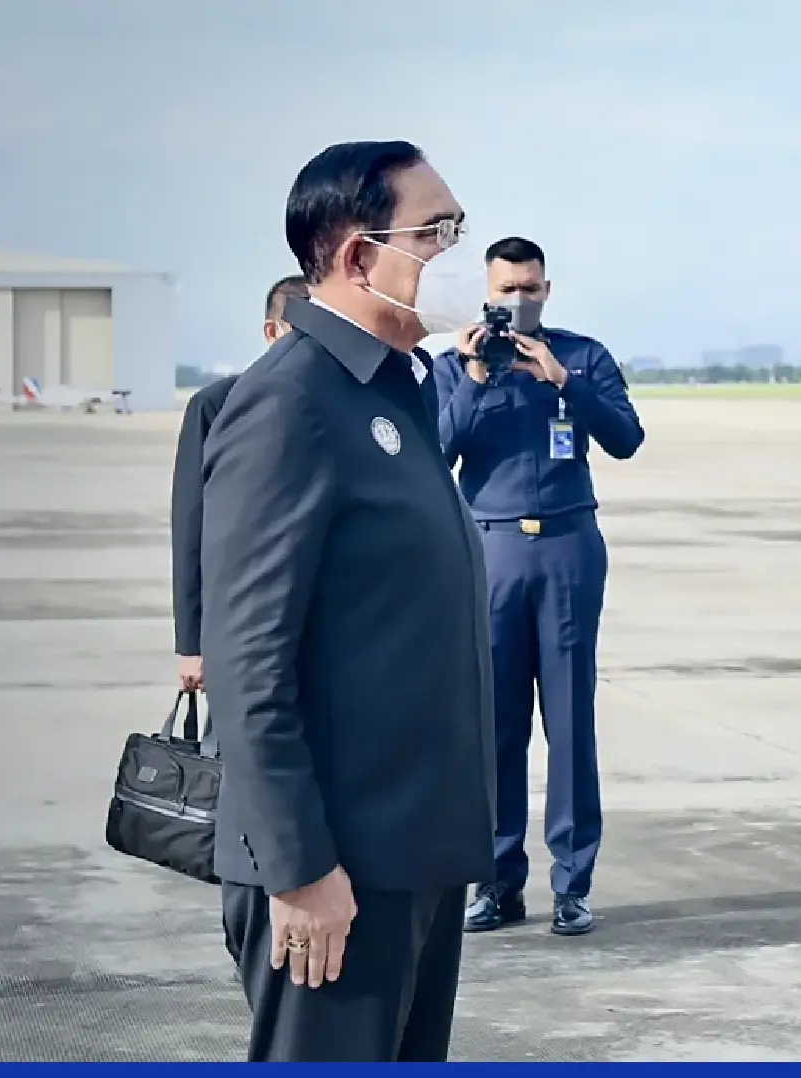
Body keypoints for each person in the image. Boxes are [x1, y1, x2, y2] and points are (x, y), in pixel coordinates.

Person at [200, 140, 498, 1062]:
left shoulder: (399, 391)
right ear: (360, 256)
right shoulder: (293, 404)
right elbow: (248, 662)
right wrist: (299, 868)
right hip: (337, 866)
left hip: (413, 849)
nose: (455, 253)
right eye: (436, 232)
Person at [432, 236, 645, 938]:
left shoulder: (581, 356)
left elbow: (626, 439)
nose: (517, 301)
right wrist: (474, 377)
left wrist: (563, 382)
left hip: (567, 547)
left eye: (529, 289)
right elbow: (436, 452)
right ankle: (496, 882)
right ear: (486, 293)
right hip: (490, 550)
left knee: (570, 720)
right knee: (495, 725)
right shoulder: (456, 365)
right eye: (506, 290)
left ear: (546, 291)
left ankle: (572, 885)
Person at [170, 275, 309, 691]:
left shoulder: (347, 405)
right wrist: (190, 643)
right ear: (272, 332)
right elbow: (191, 526)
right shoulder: (216, 407)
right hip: (244, 622)